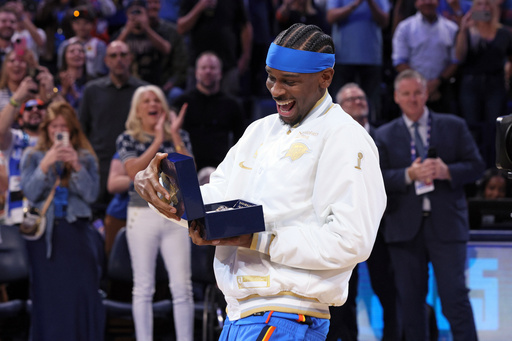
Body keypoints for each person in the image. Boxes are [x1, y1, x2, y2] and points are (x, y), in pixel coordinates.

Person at [134, 23, 387, 340]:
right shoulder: (259, 131)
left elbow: (351, 240)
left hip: (288, 315)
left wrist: (259, 239)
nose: (276, 90)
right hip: (238, 315)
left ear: (326, 77)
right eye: (271, 77)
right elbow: (213, 201)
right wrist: (161, 191)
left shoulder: (346, 137)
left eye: (289, 81)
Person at [374, 69, 484, 341]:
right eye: (406, 94)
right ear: (397, 97)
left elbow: (477, 166)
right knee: (411, 305)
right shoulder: (384, 135)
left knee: (454, 298)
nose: (413, 99)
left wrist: (448, 171)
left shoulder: (453, 125)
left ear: (427, 94)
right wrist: (407, 175)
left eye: (417, 93)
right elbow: (377, 180)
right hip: (403, 230)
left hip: (447, 226)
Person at [20, 100, 105, 341]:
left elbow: (91, 195)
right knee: (49, 300)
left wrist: (76, 166)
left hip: (77, 233)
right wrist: (46, 165)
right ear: (46, 128)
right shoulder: (33, 155)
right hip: (45, 239)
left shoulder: (86, 156)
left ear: (72, 129)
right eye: (54, 125)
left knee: (81, 295)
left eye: (64, 126)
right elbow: (30, 191)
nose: (59, 130)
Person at [116, 85, 194, 341]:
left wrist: (174, 135)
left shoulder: (178, 134)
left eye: (157, 100)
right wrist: (159, 141)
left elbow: (189, 173)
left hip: (175, 215)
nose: (152, 104)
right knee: (143, 288)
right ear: (137, 110)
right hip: (141, 216)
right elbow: (133, 173)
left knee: (182, 288)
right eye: (146, 100)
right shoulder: (128, 138)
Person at [327, 83, 399, 341]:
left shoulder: (385, 138)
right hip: (345, 227)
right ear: (339, 107)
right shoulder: (332, 140)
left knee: (389, 292)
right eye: (350, 99)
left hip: (383, 228)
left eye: (360, 96)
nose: (358, 101)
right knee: (345, 293)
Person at [79, 40, 147, 218]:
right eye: (113, 56)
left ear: (130, 58)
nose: (119, 60)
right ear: (106, 61)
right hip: (100, 163)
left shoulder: (143, 91)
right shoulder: (92, 90)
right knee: (97, 216)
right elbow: (81, 129)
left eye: (123, 55)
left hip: (134, 164)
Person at [455, 0, 512, 168]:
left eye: (488, 4)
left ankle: (494, 168)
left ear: (493, 8)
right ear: (474, 9)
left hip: (495, 85)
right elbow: (459, 56)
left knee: (494, 128)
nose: (484, 8)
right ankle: (474, 167)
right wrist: (463, 30)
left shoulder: (504, 33)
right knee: (472, 128)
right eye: (480, 4)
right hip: (470, 85)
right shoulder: (467, 31)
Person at [0, 58, 56, 226]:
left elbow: (68, 120)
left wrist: (52, 92)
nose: (35, 111)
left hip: (50, 213)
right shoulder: (15, 139)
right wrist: (18, 96)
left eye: (40, 107)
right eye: (29, 108)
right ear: (20, 119)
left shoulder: (56, 140)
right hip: (17, 216)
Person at [173, 51, 246, 171]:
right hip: (187, 168)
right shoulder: (181, 103)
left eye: (212, 68)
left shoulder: (232, 104)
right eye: (203, 68)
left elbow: (241, 140)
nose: (208, 71)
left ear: (220, 73)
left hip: (221, 168)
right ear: (196, 73)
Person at [326, 0, 390, 123]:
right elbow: (331, 17)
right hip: (343, 57)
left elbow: (385, 21)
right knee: (340, 102)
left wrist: (370, 3)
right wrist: (355, 4)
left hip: (371, 58)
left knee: (371, 104)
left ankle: (372, 135)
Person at [392, 0, 459, 114]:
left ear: (438, 2)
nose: (427, 2)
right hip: (412, 90)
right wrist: (422, 84)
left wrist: (436, 83)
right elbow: (399, 61)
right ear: (416, 3)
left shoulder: (451, 28)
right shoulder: (404, 28)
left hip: (442, 89)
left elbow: (455, 61)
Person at [114, 0, 188, 101]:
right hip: (132, 84)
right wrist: (128, 29)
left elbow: (166, 49)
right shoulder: (123, 33)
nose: (136, 17)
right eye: (132, 13)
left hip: (159, 81)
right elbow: (113, 50)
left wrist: (146, 28)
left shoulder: (161, 31)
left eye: (139, 13)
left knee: (176, 94)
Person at [177, 0, 253, 96]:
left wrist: (245, 57)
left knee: (228, 105)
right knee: (195, 104)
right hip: (197, 65)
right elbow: (181, 28)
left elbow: (245, 26)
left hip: (228, 63)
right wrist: (200, 7)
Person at [57, 5, 108, 79]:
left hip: (94, 83)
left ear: (93, 24)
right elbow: (61, 68)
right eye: (77, 23)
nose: (82, 26)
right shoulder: (65, 45)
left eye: (86, 22)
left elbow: (100, 72)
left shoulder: (99, 45)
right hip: (69, 80)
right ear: (72, 25)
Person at [57, 40, 88, 111]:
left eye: (80, 51)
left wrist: (74, 93)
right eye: (72, 51)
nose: (77, 54)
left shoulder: (92, 82)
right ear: (64, 57)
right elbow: (53, 106)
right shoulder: (56, 82)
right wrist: (64, 91)